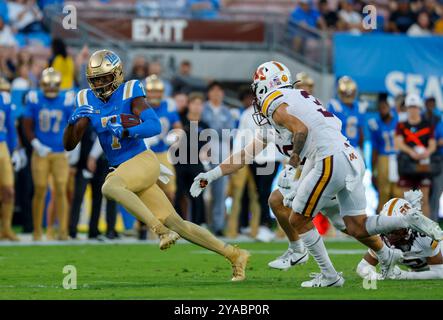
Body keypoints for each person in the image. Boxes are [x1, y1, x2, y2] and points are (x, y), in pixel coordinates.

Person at [190, 61, 443, 287]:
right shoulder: (294, 101)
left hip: (327, 159)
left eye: (258, 87)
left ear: (266, 86)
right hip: (348, 156)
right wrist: (211, 175)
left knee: (298, 218)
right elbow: (245, 155)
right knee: (353, 225)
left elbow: (300, 130)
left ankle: (329, 275)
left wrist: (292, 164)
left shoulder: (273, 101)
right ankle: (404, 220)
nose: (256, 95)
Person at [63, 50, 249, 281]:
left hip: (142, 161)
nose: (99, 84)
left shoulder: (130, 91)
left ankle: (159, 230)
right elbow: (70, 145)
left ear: (117, 74)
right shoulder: (85, 99)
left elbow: (154, 126)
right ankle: (234, 254)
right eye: (95, 80)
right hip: (124, 169)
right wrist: (71, 125)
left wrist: (129, 130)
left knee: (109, 188)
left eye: (104, 78)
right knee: (179, 224)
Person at [23, 67, 75, 240]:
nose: (52, 88)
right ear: (42, 84)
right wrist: (35, 143)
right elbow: (27, 124)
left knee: (60, 189)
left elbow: (72, 125)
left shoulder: (66, 99)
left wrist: (71, 146)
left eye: (55, 85)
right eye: (48, 84)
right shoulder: (34, 97)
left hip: (60, 152)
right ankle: (37, 231)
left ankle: (62, 231)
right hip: (41, 152)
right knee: (40, 189)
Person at [357, 192, 443, 280]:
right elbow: (363, 268)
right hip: (420, 270)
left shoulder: (424, 236)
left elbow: (440, 272)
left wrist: (404, 276)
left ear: (408, 226)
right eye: (387, 226)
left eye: (395, 227)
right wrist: (380, 277)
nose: (389, 233)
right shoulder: (382, 237)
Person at [394, 93, 437, 218]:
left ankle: (427, 233)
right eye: (410, 107)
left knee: (424, 199)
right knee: (406, 201)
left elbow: (432, 144)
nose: (413, 110)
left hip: (423, 165)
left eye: (415, 107)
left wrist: (426, 152)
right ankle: (407, 232)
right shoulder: (401, 125)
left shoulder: (427, 125)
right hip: (407, 165)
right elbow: (398, 143)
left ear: (419, 108)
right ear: (407, 108)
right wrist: (411, 152)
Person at [201, 81, 235, 235]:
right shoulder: (203, 108)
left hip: (223, 157)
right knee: (201, 191)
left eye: (219, 90)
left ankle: (218, 225)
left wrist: (212, 127)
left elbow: (229, 132)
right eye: (213, 90)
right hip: (204, 155)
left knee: (220, 194)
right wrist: (217, 128)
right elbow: (202, 130)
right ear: (209, 93)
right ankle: (201, 223)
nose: (216, 93)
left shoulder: (226, 111)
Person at [144, 75, 181, 202]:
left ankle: (168, 218)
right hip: (144, 153)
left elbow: (179, 129)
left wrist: (172, 137)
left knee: (170, 190)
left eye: (157, 91)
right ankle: (143, 222)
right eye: (151, 91)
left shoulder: (168, 106)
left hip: (162, 152)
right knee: (144, 190)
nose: (154, 95)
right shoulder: (139, 106)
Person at [173, 92, 208, 225]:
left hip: (196, 163)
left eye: (200, 104)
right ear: (189, 104)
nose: (197, 107)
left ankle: (199, 224)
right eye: (195, 103)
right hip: (179, 162)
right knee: (178, 194)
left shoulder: (205, 125)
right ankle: (178, 224)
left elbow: (205, 146)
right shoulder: (180, 120)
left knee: (198, 193)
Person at [368, 95, 402, 212]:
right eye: (380, 108)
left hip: (397, 158)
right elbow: (375, 148)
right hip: (384, 158)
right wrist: (373, 171)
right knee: (384, 192)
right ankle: (381, 223)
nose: (382, 110)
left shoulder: (398, 121)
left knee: (398, 192)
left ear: (389, 107)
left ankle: (398, 224)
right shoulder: (375, 124)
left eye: (384, 107)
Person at [0, 77, 22, 241]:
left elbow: (10, 127)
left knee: (9, 190)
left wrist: (14, 150)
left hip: (2, 147)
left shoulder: (5, 99)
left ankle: (6, 228)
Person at [327, 76, 365, 151]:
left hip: (355, 147)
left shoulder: (360, 107)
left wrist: (362, 149)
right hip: (340, 148)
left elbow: (361, 132)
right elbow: (330, 130)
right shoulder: (334, 106)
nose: (348, 95)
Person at [431, 119, 443, 221]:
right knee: (436, 192)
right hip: (440, 161)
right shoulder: (439, 125)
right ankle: (433, 222)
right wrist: (439, 142)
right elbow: (432, 144)